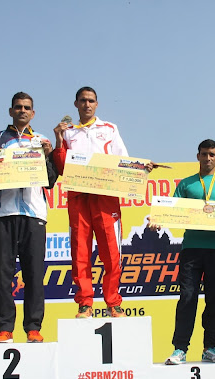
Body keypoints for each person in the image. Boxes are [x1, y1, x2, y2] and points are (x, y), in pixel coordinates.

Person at [52, 87, 154, 318]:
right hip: (79, 197)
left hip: (106, 198)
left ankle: (113, 303)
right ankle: (85, 303)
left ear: (97, 104)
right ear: (76, 104)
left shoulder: (109, 129)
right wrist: (58, 138)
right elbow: (61, 167)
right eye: (83, 101)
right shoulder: (67, 132)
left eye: (91, 101)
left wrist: (139, 169)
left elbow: (123, 159)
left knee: (111, 252)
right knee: (80, 252)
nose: (87, 104)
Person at [0, 92, 58, 343]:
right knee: (2, 273)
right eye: (18, 107)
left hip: (33, 215)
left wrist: (47, 156)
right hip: (2, 213)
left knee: (34, 274)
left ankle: (33, 327)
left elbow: (51, 181)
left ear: (33, 113)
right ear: (10, 111)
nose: (23, 111)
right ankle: (4, 328)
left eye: (27, 108)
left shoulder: (42, 140)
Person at [159, 139, 215, 365]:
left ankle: (210, 348)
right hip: (192, 249)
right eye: (204, 154)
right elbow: (169, 210)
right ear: (198, 156)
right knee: (187, 298)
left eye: (212, 154)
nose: (208, 158)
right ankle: (179, 349)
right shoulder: (186, 184)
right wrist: (157, 220)